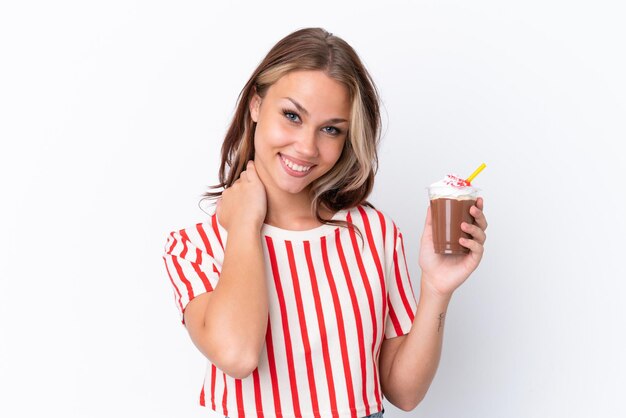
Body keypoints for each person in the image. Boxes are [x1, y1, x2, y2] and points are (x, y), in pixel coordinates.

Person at [162, 27, 488, 418]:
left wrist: (436, 289)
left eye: (330, 129)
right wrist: (246, 226)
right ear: (255, 106)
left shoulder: (373, 233)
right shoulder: (194, 248)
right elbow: (237, 355)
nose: (306, 147)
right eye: (292, 116)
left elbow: (404, 393)